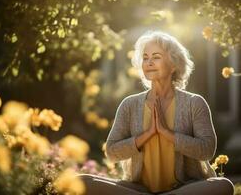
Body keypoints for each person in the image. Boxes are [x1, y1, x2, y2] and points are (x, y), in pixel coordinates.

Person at [77, 31, 234, 194]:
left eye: (156, 57)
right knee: (81, 182)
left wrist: (167, 133)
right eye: (145, 58)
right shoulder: (129, 105)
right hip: (139, 189)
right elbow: (111, 152)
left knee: (223, 185)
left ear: (174, 64)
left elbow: (207, 150)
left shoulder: (194, 103)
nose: (149, 62)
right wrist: (147, 134)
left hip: (183, 188)